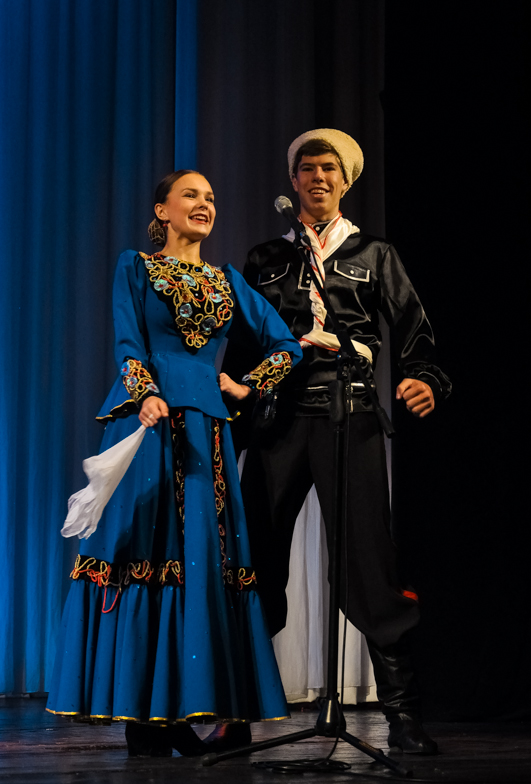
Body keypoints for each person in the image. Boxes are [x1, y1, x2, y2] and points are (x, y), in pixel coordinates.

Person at [46, 170, 302, 758]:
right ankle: (146, 715)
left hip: (205, 431)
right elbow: (129, 343)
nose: (204, 204)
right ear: (162, 210)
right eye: (191, 194)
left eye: (211, 197)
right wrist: (144, 394)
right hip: (150, 421)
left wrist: (246, 385)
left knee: (202, 560)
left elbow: (286, 344)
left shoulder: (227, 280)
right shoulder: (136, 266)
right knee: (148, 551)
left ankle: (192, 704)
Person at [224, 129, 451, 755]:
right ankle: (236, 710)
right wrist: (231, 419)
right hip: (278, 419)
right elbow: (241, 350)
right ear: (292, 180)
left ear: (345, 180)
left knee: (368, 567)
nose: (317, 177)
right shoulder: (267, 258)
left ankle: (403, 716)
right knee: (255, 562)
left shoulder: (374, 253)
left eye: (329, 168)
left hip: (349, 414)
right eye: (307, 168)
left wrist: (423, 378)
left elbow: (415, 331)